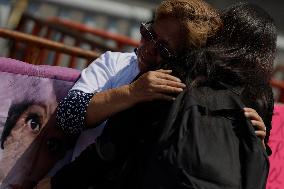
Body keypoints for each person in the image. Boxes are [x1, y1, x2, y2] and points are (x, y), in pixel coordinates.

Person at [42, 2, 276, 189]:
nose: (148, 47)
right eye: (148, 32)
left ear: (185, 56)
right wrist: (131, 92)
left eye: (163, 49)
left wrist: (257, 142)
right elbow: (67, 117)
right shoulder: (116, 64)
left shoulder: (175, 85)